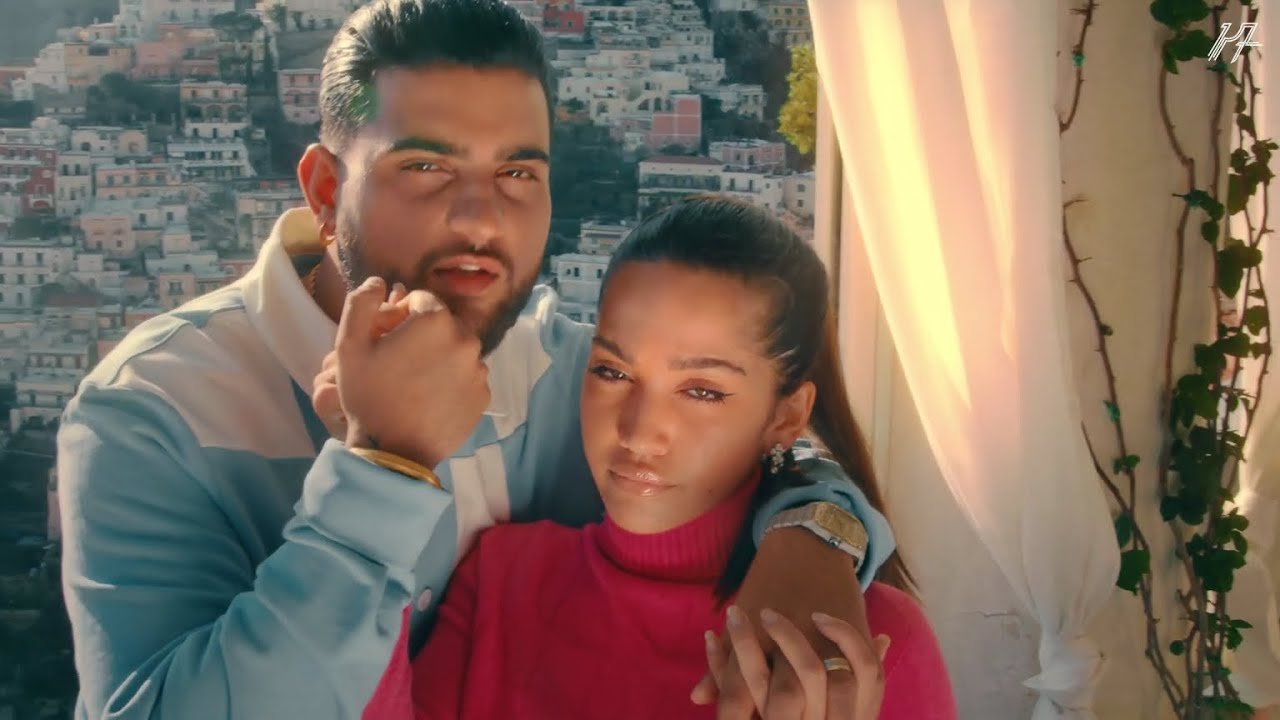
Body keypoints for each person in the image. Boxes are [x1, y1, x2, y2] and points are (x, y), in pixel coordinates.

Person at [56, 1, 895, 718]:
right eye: (426, 166)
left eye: (518, 173)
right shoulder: (156, 411)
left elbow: (755, 433)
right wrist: (382, 468)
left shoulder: (564, 372)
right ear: (325, 192)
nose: (482, 220)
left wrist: (814, 533)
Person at [350, 196, 956, 719]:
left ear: (785, 417)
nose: (638, 433)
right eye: (612, 372)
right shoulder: (499, 580)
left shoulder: (858, 647)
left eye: (702, 391)